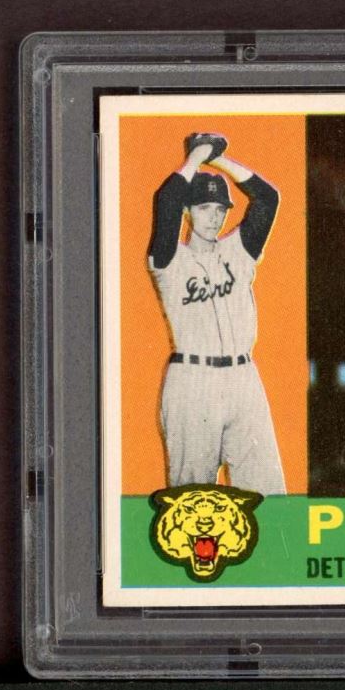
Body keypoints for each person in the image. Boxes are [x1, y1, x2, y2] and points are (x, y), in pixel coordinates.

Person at [146, 133, 286, 494]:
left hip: (244, 377)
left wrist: (217, 158)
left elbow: (268, 198)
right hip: (193, 380)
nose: (214, 217)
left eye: (221, 209)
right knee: (191, 499)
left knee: (270, 497)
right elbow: (166, 199)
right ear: (188, 211)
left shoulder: (238, 250)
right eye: (204, 208)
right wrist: (196, 157)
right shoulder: (169, 260)